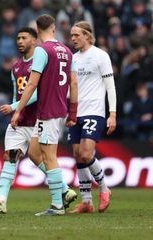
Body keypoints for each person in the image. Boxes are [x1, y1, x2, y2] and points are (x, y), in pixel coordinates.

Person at [0, 27, 77, 214]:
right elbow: (16, 92)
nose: (19, 41)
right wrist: (14, 109)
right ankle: (1, 201)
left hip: (37, 119)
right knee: (10, 156)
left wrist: (14, 108)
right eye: (18, 38)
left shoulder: (41, 61)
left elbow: (36, 92)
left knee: (38, 156)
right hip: (19, 120)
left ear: (35, 40)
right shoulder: (16, 66)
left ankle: (64, 190)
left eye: (24, 38)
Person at [11, 14, 78, 216]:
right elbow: (73, 83)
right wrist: (72, 112)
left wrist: (18, 110)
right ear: (54, 27)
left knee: (49, 157)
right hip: (57, 108)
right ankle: (64, 191)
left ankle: (57, 204)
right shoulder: (67, 51)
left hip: (48, 110)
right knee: (33, 151)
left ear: (37, 30)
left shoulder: (42, 50)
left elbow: (31, 84)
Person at [69, 21, 115, 213]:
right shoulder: (73, 58)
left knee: (87, 154)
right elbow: (71, 88)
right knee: (78, 156)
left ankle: (104, 189)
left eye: (77, 35)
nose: (73, 39)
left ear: (87, 35)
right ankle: (86, 202)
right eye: (72, 35)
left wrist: (112, 113)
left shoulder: (100, 56)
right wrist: (69, 111)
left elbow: (110, 86)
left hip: (94, 111)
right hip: (76, 112)